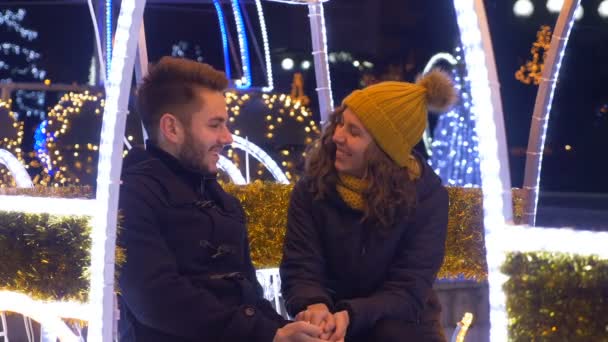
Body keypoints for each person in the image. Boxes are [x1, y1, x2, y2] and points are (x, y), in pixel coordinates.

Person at [117, 56, 324, 342]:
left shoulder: (223, 202)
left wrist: (291, 331)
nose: (227, 138)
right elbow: (157, 300)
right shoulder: (132, 196)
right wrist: (270, 334)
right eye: (215, 125)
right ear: (172, 128)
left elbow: (249, 300)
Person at [280, 69, 457, 342]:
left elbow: (408, 289)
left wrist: (352, 314)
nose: (338, 136)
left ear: (383, 151)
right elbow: (301, 266)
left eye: (354, 132)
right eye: (341, 123)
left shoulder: (427, 197)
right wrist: (313, 306)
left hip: (404, 326)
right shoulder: (314, 186)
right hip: (329, 320)